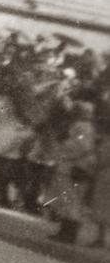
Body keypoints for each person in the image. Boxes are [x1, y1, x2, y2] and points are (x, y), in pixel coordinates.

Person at [48, 101, 97, 245]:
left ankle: (69, 233)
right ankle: (65, 231)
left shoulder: (83, 127)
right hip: (73, 166)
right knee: (68, 200)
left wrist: (64, 145)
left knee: (72, 200)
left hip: (75, 166)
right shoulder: (85, 126)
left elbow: (81, 146)